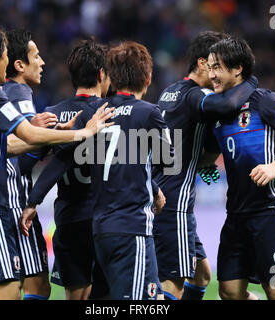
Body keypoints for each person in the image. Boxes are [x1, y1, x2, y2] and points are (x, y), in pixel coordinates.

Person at [0, 20, 114, 300]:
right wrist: (84, 132)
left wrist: (51, 131)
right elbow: (29, 136)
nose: (9, 62)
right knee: (13, 292)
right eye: (7, 55)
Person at [23, 41, 170, 300]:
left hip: (84, 223)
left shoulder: (73, 114)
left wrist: (33, 200)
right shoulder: (128, 114)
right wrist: (155, 187)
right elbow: (159, 160)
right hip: (120, 221)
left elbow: (60, 159)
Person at [153, 31, 259, 300]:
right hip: (173, 201)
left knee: (201, 274)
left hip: (160, 192)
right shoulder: (195, 96)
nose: (216, 73)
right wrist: (250, 80)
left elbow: (199, 149)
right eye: (215, 64)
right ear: (202, 64)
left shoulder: (169, 92)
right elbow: (228, 104)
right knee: (172, 281)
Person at [205, 37, 275, 300]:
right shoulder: (217, 111)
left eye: (217, 67)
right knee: (229, 292)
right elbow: (209, 156)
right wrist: (201, 169)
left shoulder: (265, 101)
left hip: (269, 212)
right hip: (236, 213)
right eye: (209, 68)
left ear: (237, 68)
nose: (211, 75)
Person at [21, 39, 112, 300]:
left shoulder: (52, 114)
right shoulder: (107, 114)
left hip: (69, 219)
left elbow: (30, 163)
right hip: (103, 218)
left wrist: (32, 200)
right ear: (101, 74)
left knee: (76, 295)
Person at [2, 29, 55, 300]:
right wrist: (52, 141)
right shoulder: (19, 91)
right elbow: (22, 159)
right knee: (37, 285)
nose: (42, 62)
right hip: (16, 202)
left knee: (3, 286)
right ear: (19, 65)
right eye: (36, 56)